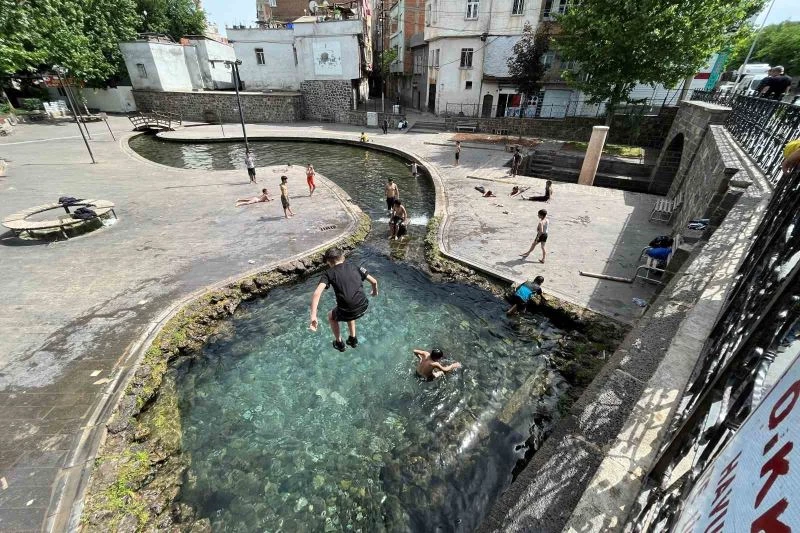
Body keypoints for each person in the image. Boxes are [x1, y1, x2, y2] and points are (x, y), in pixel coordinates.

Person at [309, 247, 379, 352]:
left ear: (328, 262)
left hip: (348, 310)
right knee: (349, 306)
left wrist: (313, 316)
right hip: (364, 305)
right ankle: (353, 339)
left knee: (331, 316)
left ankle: (339, 343)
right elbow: (374, 281)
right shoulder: (356, 267)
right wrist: (374, 292)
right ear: (343, 257)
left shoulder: (329, 273)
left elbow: (317, 293)